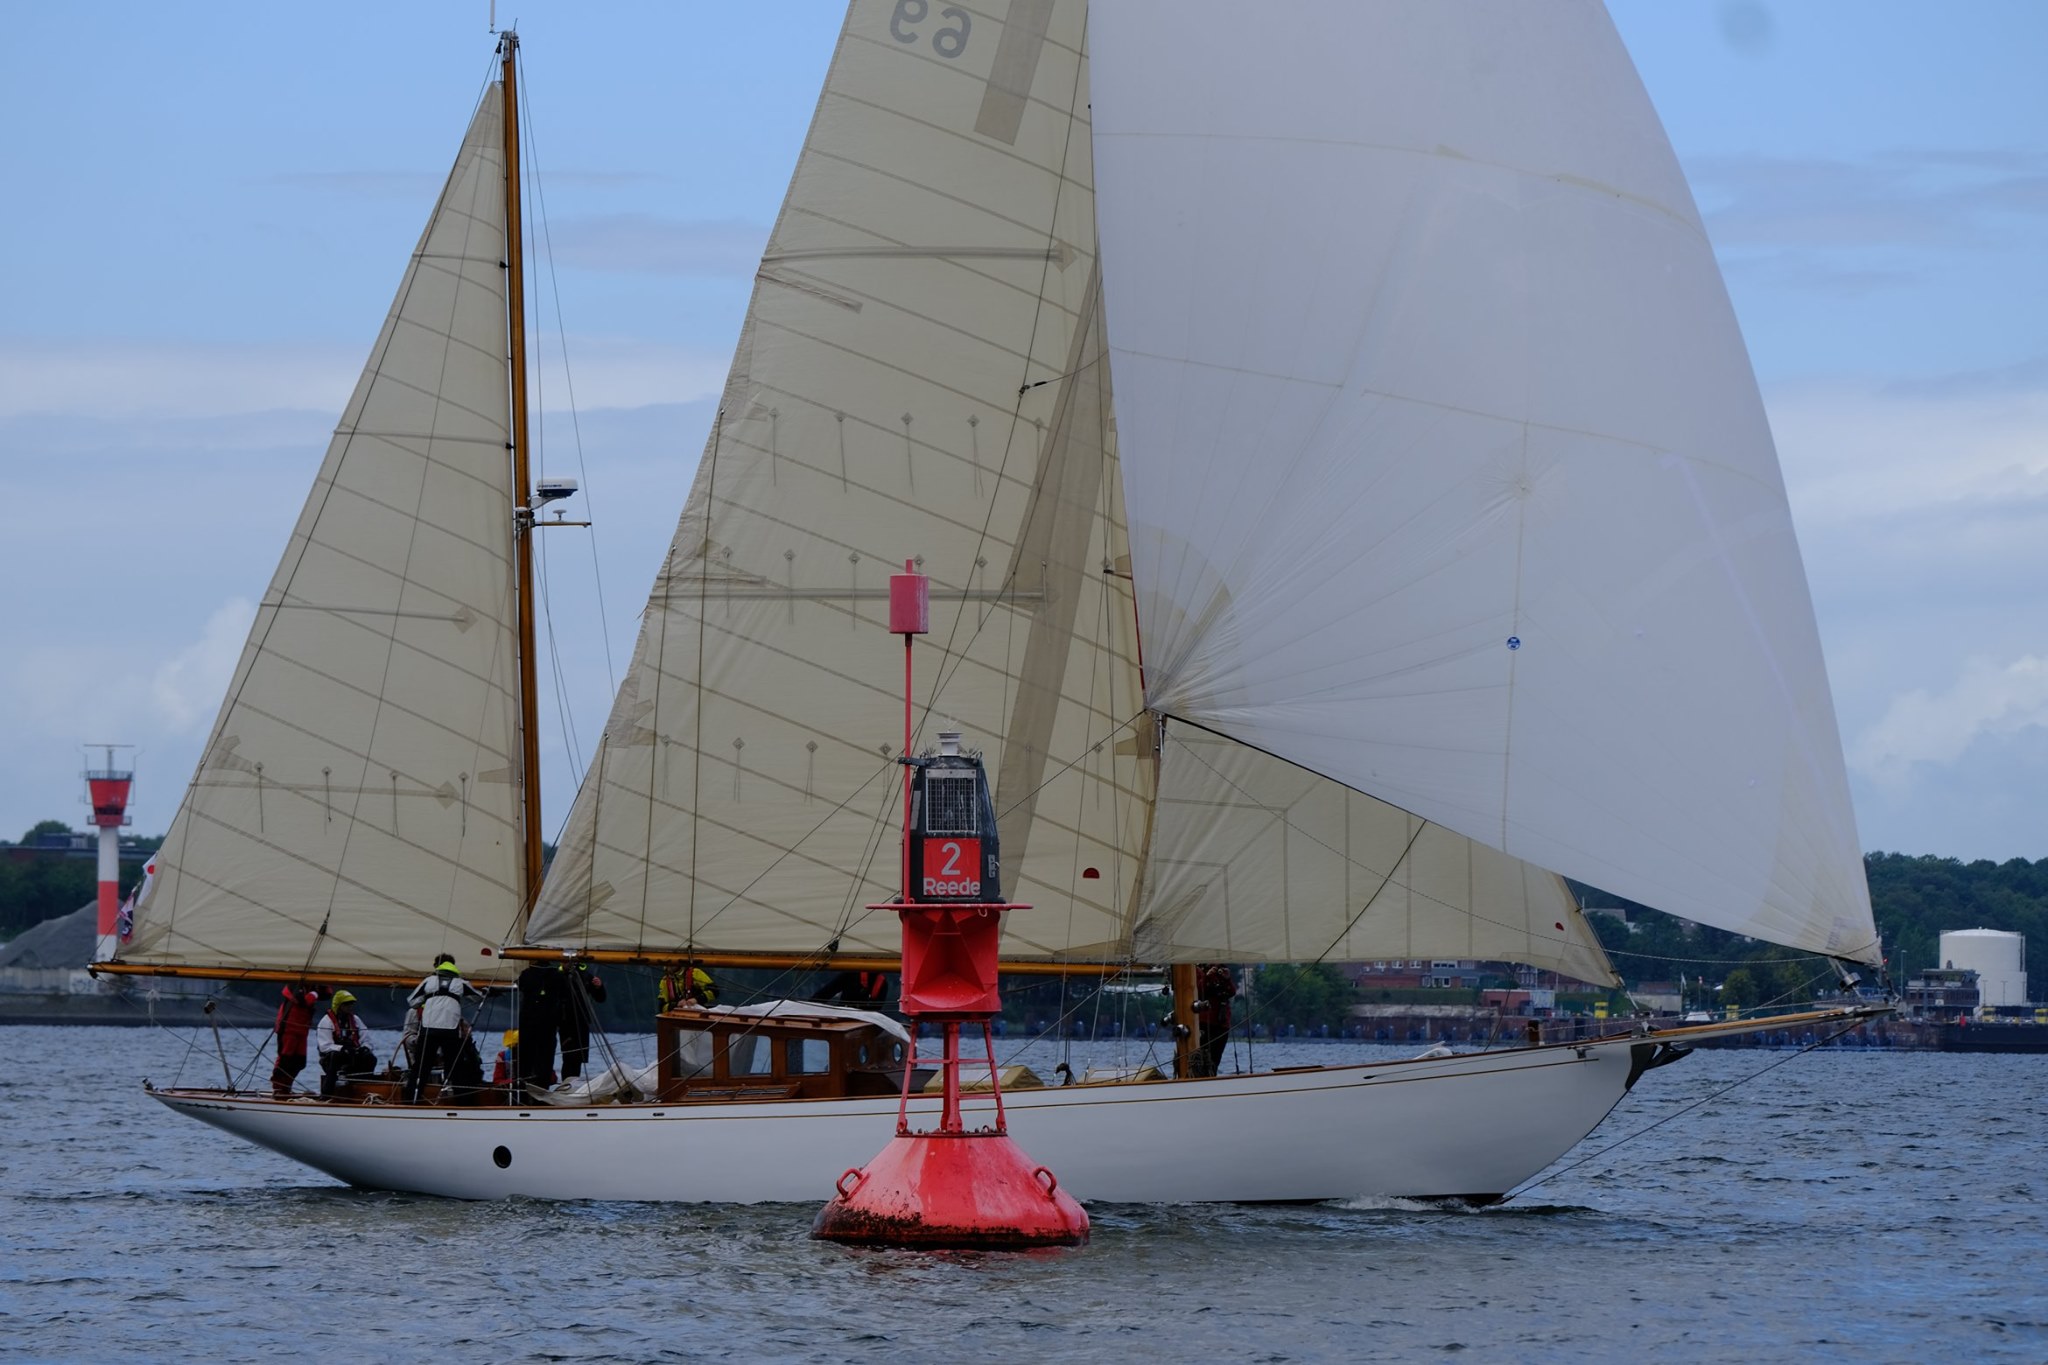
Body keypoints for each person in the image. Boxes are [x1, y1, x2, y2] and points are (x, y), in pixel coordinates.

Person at [405, 953, 484, 1103]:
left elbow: (412, 1001)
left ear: (436, 966)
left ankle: (410, 1101)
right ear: (454, 966)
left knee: (421, 1067)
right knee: (456, 1068)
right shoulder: (461, 983)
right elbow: (478, 998)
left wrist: (429, 1000)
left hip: (429, 1029)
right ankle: (463, 1103)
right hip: (451, 1031)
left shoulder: (428, 981)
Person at [315, 990, 378, 1096]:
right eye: (346, 1004)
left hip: (353, 1056)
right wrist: (342, 1049)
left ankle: (364, 1090)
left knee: (370, 1058)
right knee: (335, 1056)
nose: (349, 1007)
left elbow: (366, 1038)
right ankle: (327, 1094)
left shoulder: (355, 1020)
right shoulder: (326, 1021)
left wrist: (365, 1048)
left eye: (351, 1004)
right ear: (338, 1006)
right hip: (332, 1058)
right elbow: (324, 1046)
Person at [557, 962, 607, 1082]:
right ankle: (566, 1086)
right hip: (566, 1023)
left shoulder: (585, 976)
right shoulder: (558, 976)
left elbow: (600, 998)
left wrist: (599, 987)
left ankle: (573, 1086)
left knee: (579, 1058)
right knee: (569, 1057)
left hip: (582, 1022)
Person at [515, 961, 562, 1089]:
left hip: (530, 1024)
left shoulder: (526, 975)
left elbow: (520, 984)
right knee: (544, 1063)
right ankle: (541, 1092)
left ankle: (523, 1091)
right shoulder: (556, 975)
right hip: (547, 1025)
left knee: (526, 1062)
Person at [271, 984, 321, 1099]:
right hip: (288, 1028)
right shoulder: (294, 986)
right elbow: (302, 1001)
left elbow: (327, 993)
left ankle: (286, 1087)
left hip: (302, 1030)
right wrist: (314, 994)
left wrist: (316, 991)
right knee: (285, 1058)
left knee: (299, 1062)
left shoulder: (310, 988)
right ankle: (279, 1088)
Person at [1191, 963, 1238, 1078]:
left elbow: (1231, 992)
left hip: (1221, 1024)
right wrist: (1207, 976)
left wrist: (1227, 979)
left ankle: (1211, 1077)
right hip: (1204, 1023)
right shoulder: (1196, 971)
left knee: (1214, 1059)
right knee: (1199, 1059)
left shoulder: (1220, 972)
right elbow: (1199, 991)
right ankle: (1198, 1078)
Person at [814, 969, 890, 1007]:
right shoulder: (850, 975)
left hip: (862, 1020)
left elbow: (827, 992)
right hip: (843, 1014)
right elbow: (826, 992)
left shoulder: (881, 983)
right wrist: (810, 1006)